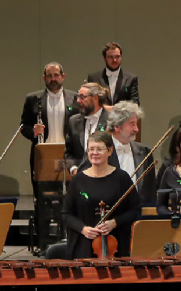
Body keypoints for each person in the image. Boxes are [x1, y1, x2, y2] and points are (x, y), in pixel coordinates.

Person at [60, 131, 141, 259]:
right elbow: (66, 215)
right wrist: (83, 229)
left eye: (99, 149)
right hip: (84, 246)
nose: (94, 153)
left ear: (110, 151)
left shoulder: (122, 178)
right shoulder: (78, 180)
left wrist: (115, 222)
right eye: (91, 149)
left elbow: (135, 210)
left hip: (115, 245)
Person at [21, 63, 79, 184]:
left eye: (56, 75)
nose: (53, 79)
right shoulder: (33, 99)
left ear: (63, 76)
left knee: (71, 189)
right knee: (42, 190)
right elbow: (23, 126)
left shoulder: (75, 98)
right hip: (43, 153)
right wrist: (33, 131)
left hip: (68, 153)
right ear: (44, 78)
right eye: (49, 76)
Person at [98, 101, 157, 203]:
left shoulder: (145, 152)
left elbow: (151, 191)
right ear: (117, 127)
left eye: (136, 124)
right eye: (132, 124)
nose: (137, 129)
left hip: (138, 211)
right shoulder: (99, 151)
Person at [65, 82, 111, 175]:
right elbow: (68, 152)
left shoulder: (111, 120)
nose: (78, 101)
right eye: (78, 97)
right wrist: (74, 169)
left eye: (83, 97)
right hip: (80, 178)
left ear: (95, 98)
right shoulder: (73, 121)